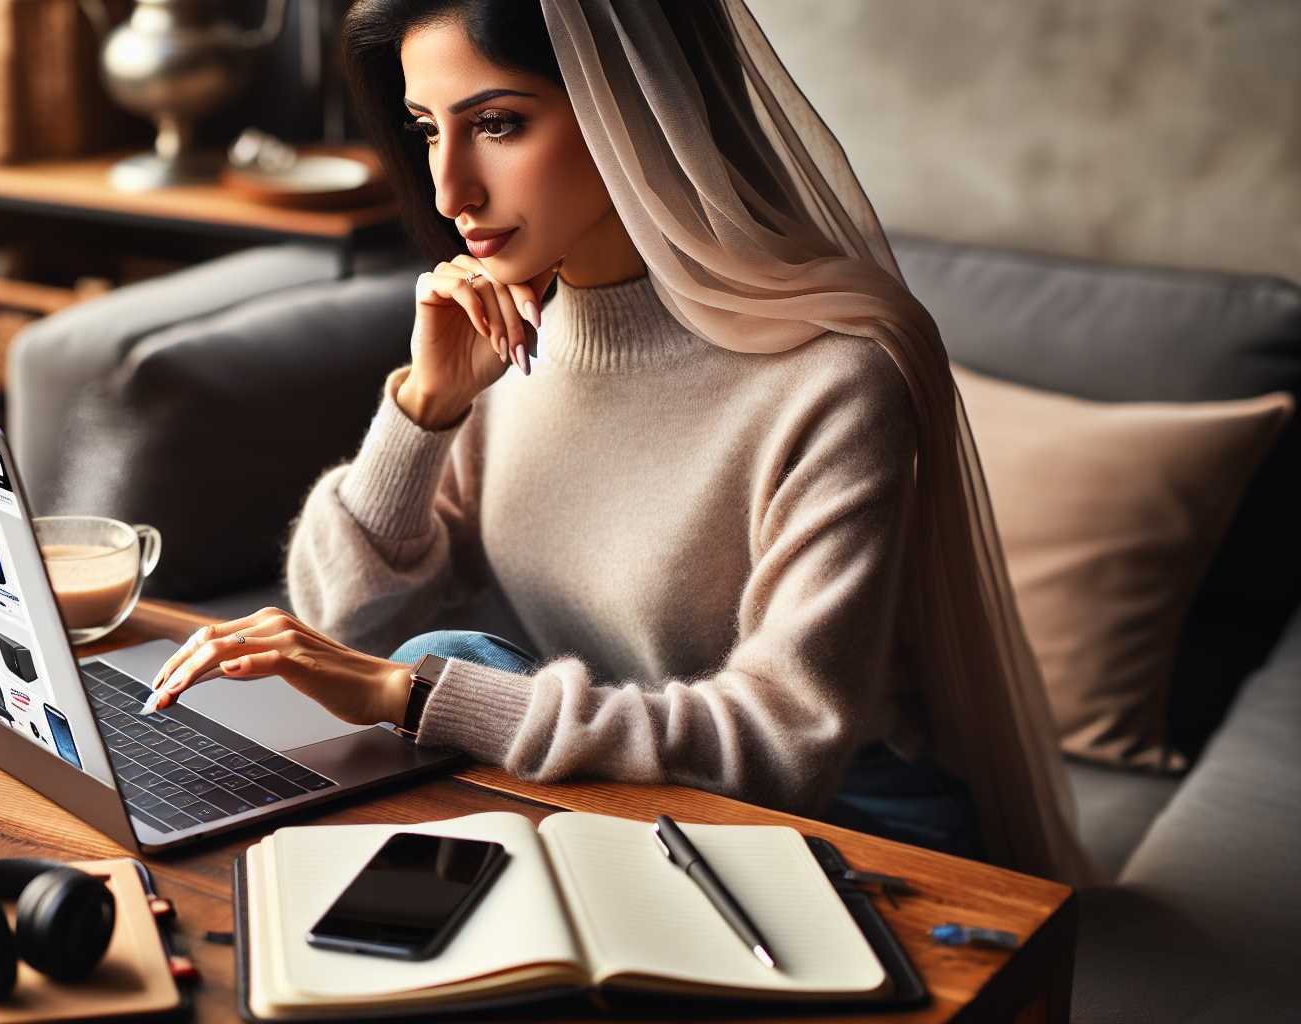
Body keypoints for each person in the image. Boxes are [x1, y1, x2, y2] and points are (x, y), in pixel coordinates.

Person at [146, 0, 1092, 882]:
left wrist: (419, 695)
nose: (448, 190)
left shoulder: (834, 378)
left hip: (842, 825)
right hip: (615, 795)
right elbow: (349, 629)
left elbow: (783, 744)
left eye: (498, 124)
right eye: (429, 130)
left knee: (439, 678)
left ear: (630, 111)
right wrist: (425, 407)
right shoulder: (516, 338)